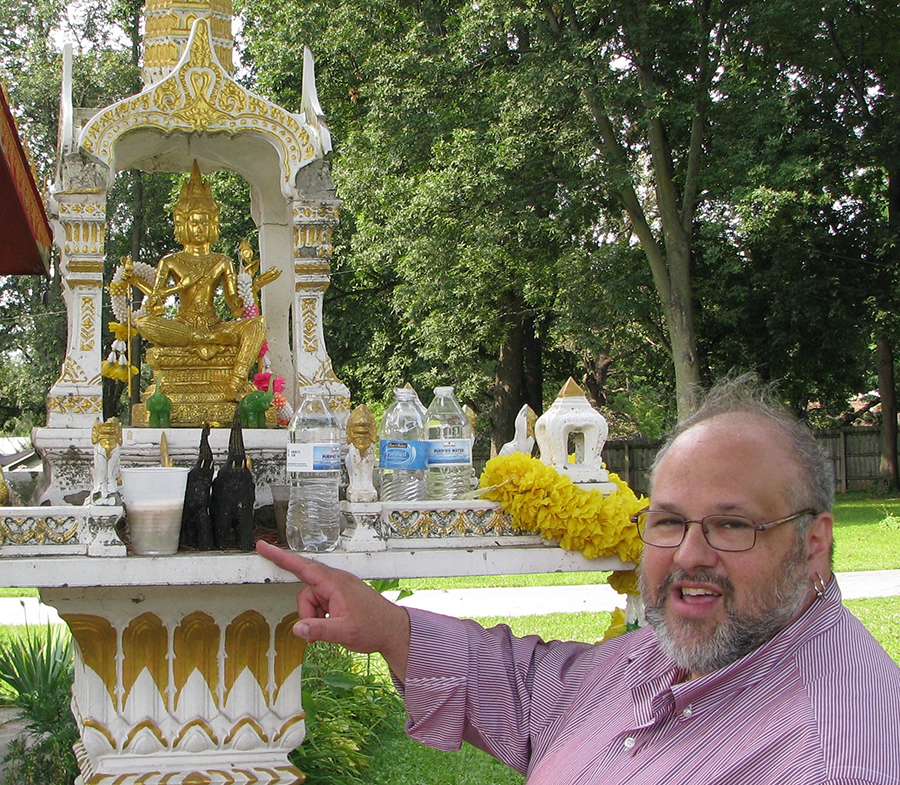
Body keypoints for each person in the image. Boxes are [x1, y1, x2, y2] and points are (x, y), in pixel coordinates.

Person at [256, 378, 900, 784]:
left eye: (732, 526)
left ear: (814, 545)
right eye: (669, 522)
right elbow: (536, 691)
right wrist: (389, 626)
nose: (688, 556)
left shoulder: (841, 747)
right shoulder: (673, 657)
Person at [123, 162, 265, 400]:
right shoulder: (170, 261)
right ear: (182, 223)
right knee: (144, 323)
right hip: (185, 327)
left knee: (256, 325)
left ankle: (236, 382)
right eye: (194, 222)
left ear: (213, 223)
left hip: (215, 324)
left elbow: (235, 307)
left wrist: (249, 288)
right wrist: (179, 287)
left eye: (204, 222)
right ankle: (206, 341)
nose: (199, 228)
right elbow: (155, 304)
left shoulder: (222, 261)